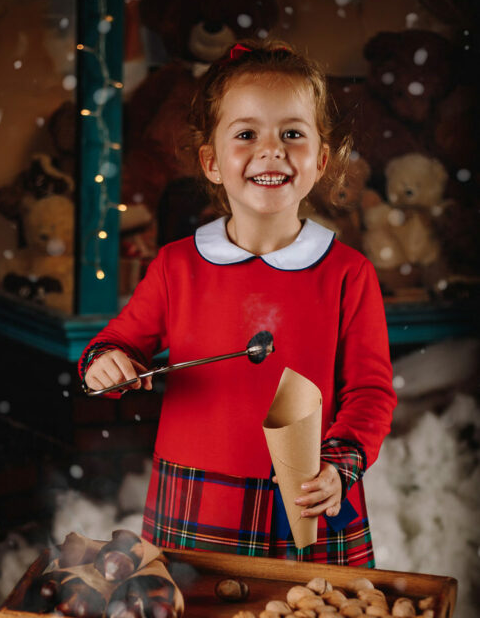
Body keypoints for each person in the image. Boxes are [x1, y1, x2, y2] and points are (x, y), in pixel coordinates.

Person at [80, 39, 397, 568]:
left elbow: (370, 392)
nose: (271, 150)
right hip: (196, 503)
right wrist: (107, 363)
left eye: (292, 133)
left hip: (307, 498)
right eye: (247, 134)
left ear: (321, 160)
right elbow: (118, 344)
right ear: (211, 162)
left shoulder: (349, 273)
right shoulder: (176, 266)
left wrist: (338, 467)